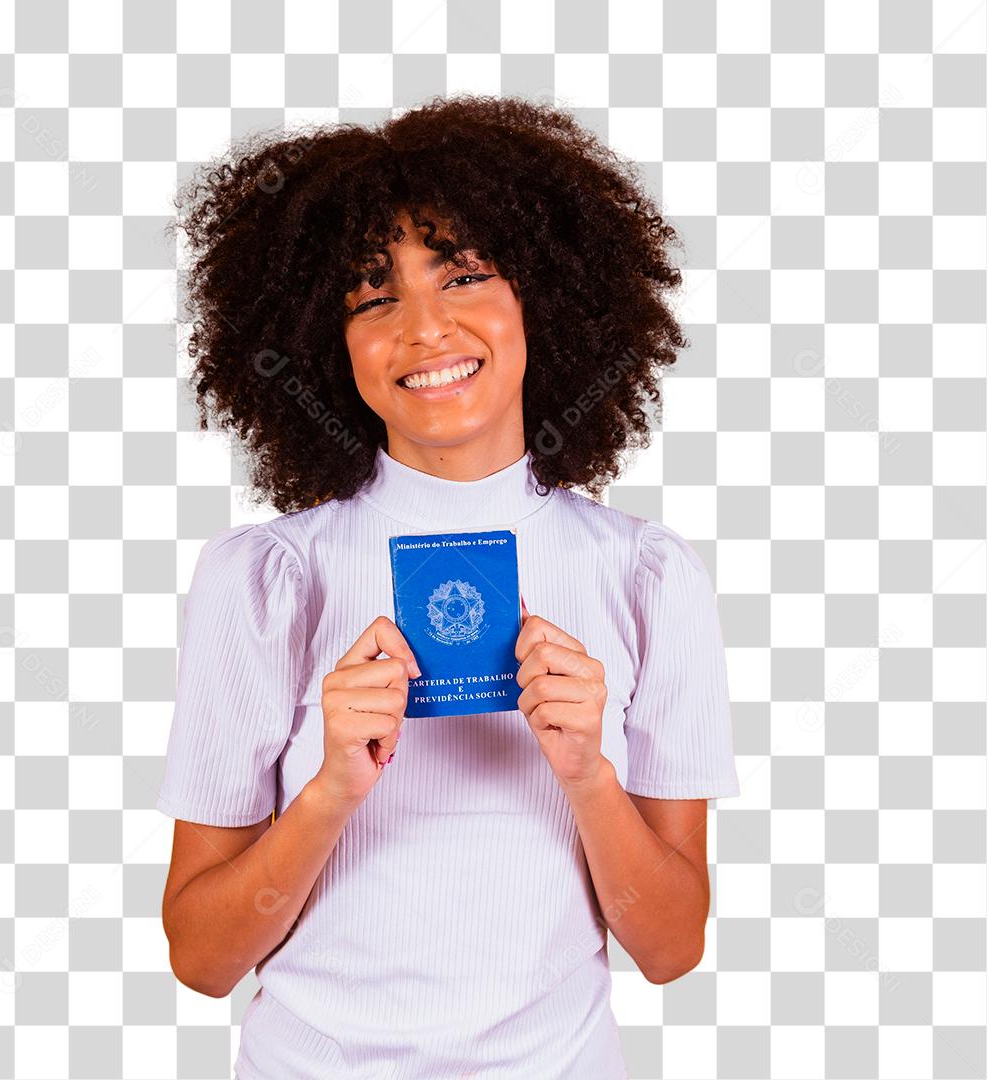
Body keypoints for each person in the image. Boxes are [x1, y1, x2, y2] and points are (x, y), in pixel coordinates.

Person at [155, 94, 740, 1079]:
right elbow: (204, 960)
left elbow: (671, 948)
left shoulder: (646, 577)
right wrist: (332, 790)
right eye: (373, 296)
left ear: (541, 298)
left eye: (463, 274)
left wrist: (587, 772)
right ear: (326, 344)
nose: (425, 329)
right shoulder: (262, 581)